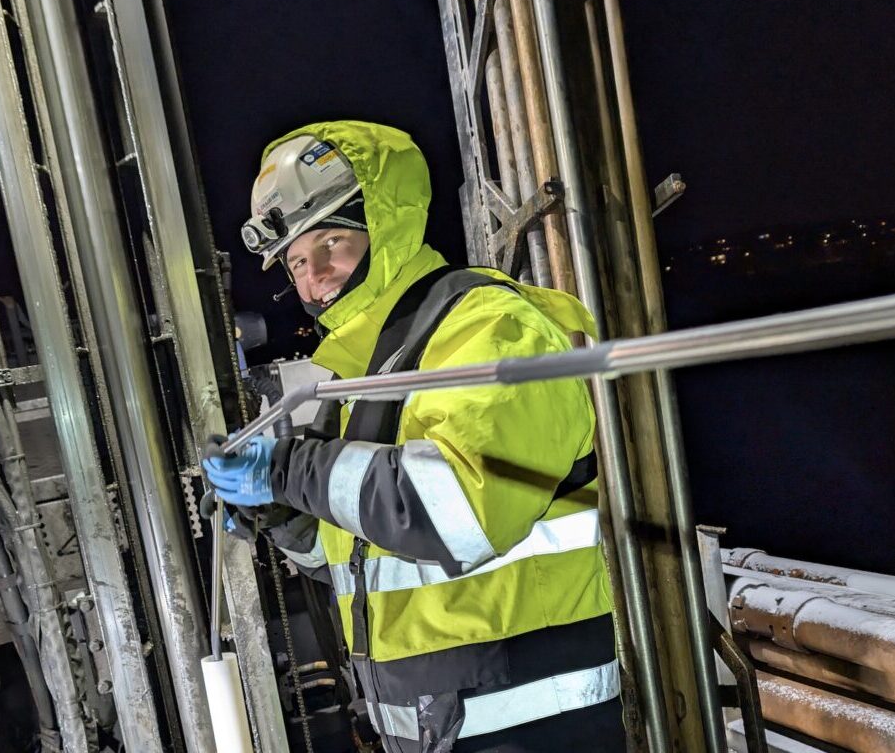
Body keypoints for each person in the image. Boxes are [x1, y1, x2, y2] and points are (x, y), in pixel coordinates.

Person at [203, 121, 624, 752]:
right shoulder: (365, 376)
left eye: (332, 242)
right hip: (435, 727)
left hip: (532, 722)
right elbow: (359, 555)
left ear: (386, 223)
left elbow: (459, 515)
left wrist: (292, 470)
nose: (315, 277)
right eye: (296, 262)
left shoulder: (486, 327)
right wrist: (283, 516)